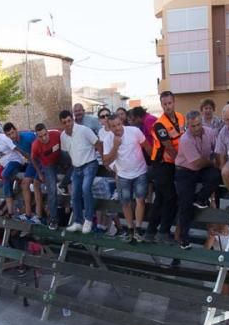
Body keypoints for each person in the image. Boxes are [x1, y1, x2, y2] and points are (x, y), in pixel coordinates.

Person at [174, 110, 221, 250]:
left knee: (216, 175)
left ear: (202, 122)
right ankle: (184, 238)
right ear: (188, 126)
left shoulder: (210, 132)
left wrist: (218, 162)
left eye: (198, 124)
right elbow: (196, 163)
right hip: (185, 170)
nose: (196, 128)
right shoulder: (185, 139)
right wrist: (213, 162)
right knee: (185, 204)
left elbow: (217, 150)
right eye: (192, 126)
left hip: (202, 168)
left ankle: (200, 199)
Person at [146, 91, 186, 242]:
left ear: (174, 102)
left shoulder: (181, 117)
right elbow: (169, 147)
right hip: (162, 165)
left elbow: (184, 138)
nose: (168, 106)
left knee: (161, 199)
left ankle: (151, 232)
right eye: (165, 104)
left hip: (173, 163)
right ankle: (163, 231)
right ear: (161, 105)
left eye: (170, 103)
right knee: (170, 198)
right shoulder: (159, 124)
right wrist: (181, 164)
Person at [102, 115, 149, 243]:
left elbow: (146, 145)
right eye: (114, 126)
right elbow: (106, 160)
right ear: (109, 127)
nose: (117, 128)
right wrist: (115, 147)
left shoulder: (134, 131)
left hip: (140, 171)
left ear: (121, 122)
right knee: (125, 202)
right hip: (123, 174)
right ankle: (129, 228)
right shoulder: (108, 139)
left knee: (140, 200)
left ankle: (138, 228)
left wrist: (152, 162)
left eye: (118, 124)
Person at [59, 109, 101, 233]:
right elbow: (67, 151)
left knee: (85, 188)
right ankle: (78, 221)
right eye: (65, 122)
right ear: (62, 123)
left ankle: (88, 220)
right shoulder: (63, 136)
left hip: (90, 163)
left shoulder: (84, 130)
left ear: (72, 119)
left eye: (69, 121)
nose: (68, 124)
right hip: (76, 167)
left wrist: (104, 159)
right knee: (75, 193)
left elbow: (97, 143)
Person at [31, 123, 63, 229]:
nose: (44, 138)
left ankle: (65, 183)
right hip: (48, 165)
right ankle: (53, 219)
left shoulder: (56, 134)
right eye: (40, 136)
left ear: (47, 132)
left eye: (45, 134)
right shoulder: (35, 145)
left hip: (61, 158)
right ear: (37, 136)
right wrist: (39, 173)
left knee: (75, 162)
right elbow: (33, 159)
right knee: (52, 190)